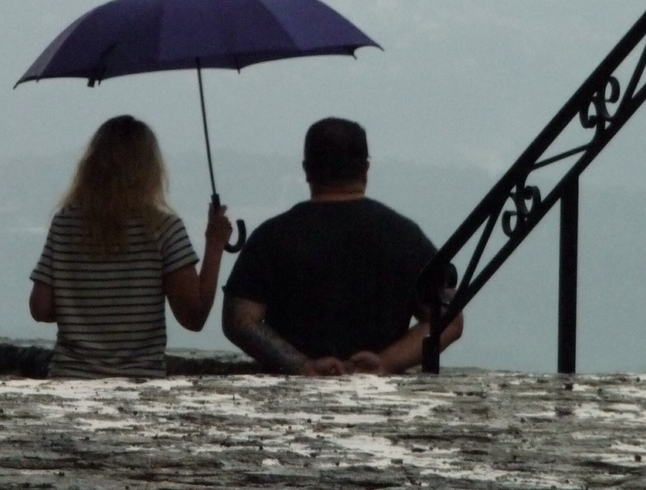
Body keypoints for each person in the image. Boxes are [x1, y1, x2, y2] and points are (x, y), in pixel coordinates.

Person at [221, 117, 462, 375]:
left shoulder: (271, 237)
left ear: (307, 169)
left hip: (289, 400)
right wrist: (385, 362)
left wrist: (303, 366)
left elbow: (240, 320)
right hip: (383, 401)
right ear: (365, 169)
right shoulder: (405, 236)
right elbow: (449, 320)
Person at [28, 115, 232, 377]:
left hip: (69, 382)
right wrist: (214, 245)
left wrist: (85, 306)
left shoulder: (65, 222)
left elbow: (40, 308)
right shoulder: (163, 229)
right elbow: (194, 316)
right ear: (150, 169)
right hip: (138, 385)